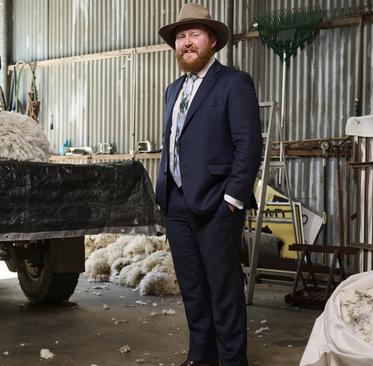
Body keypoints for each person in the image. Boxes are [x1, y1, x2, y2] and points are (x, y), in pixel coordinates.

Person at [155, 3, 262, 366]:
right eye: (181, 37)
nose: (186, 42)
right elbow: (173, 143)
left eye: (195, 34)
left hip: (217, 203)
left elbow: (248, 145)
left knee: (224, 291)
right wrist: (164, 199)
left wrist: (233, 198)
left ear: (212, 41)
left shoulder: (234, 83)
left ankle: (232, 362)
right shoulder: (173, 90)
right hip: (177, 204)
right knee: (193, 292)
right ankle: (201, 358)